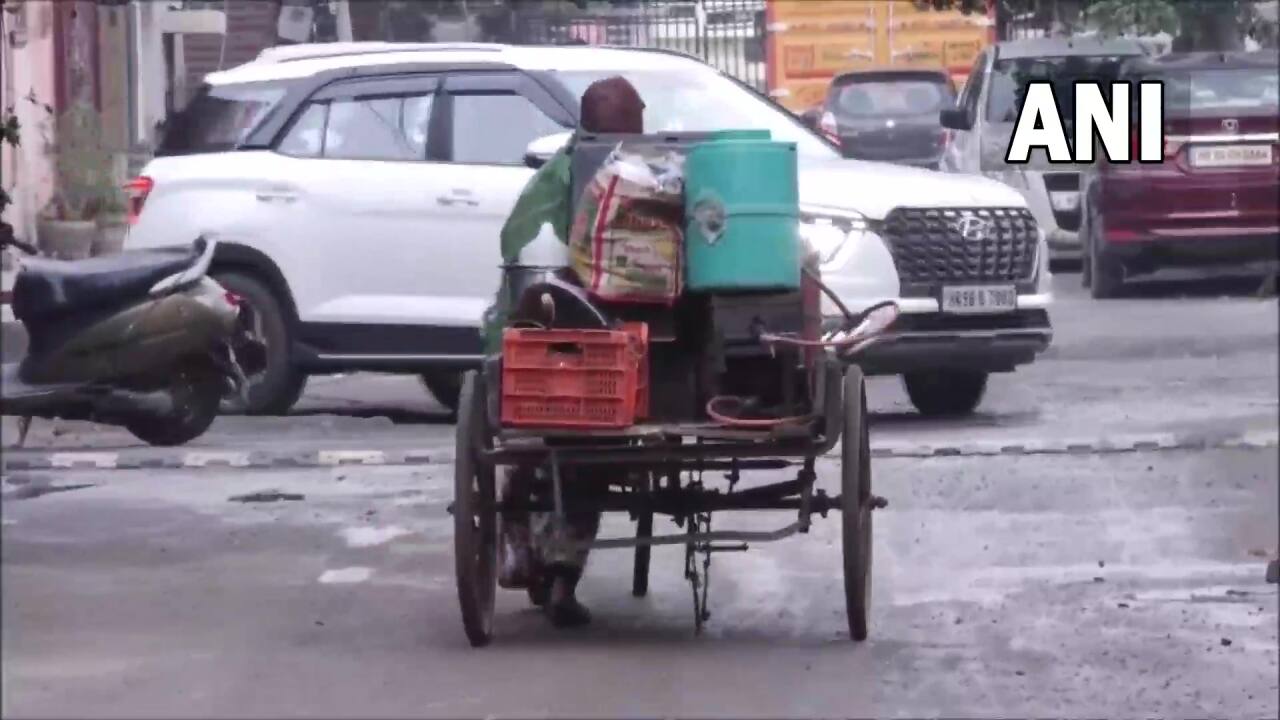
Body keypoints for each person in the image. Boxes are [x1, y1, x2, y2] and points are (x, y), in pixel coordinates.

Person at [484, 76, 646, 628]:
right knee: (581, 459)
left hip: (562, 348)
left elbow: (516, 252)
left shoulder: (569, 173)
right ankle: (557, 574)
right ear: (628, 122)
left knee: (553, 450)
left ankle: (536, 559)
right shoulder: (600, 174)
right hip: (569, 344)